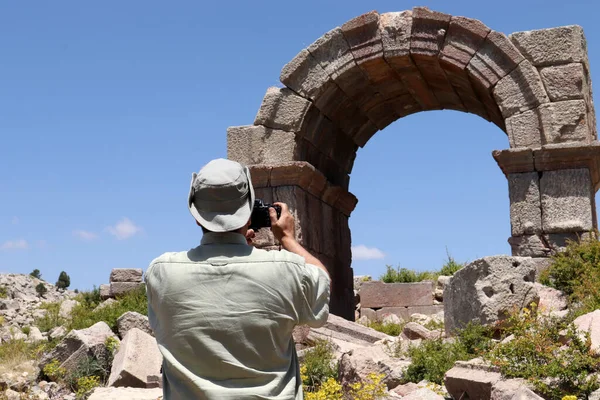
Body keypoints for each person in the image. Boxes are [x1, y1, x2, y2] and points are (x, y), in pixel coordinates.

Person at [145, 158, 331, 400]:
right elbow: (323, 283)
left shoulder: (161, 272)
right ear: (250, 209)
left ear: (196, 215)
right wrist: (288, 240)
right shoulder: (287, 270)